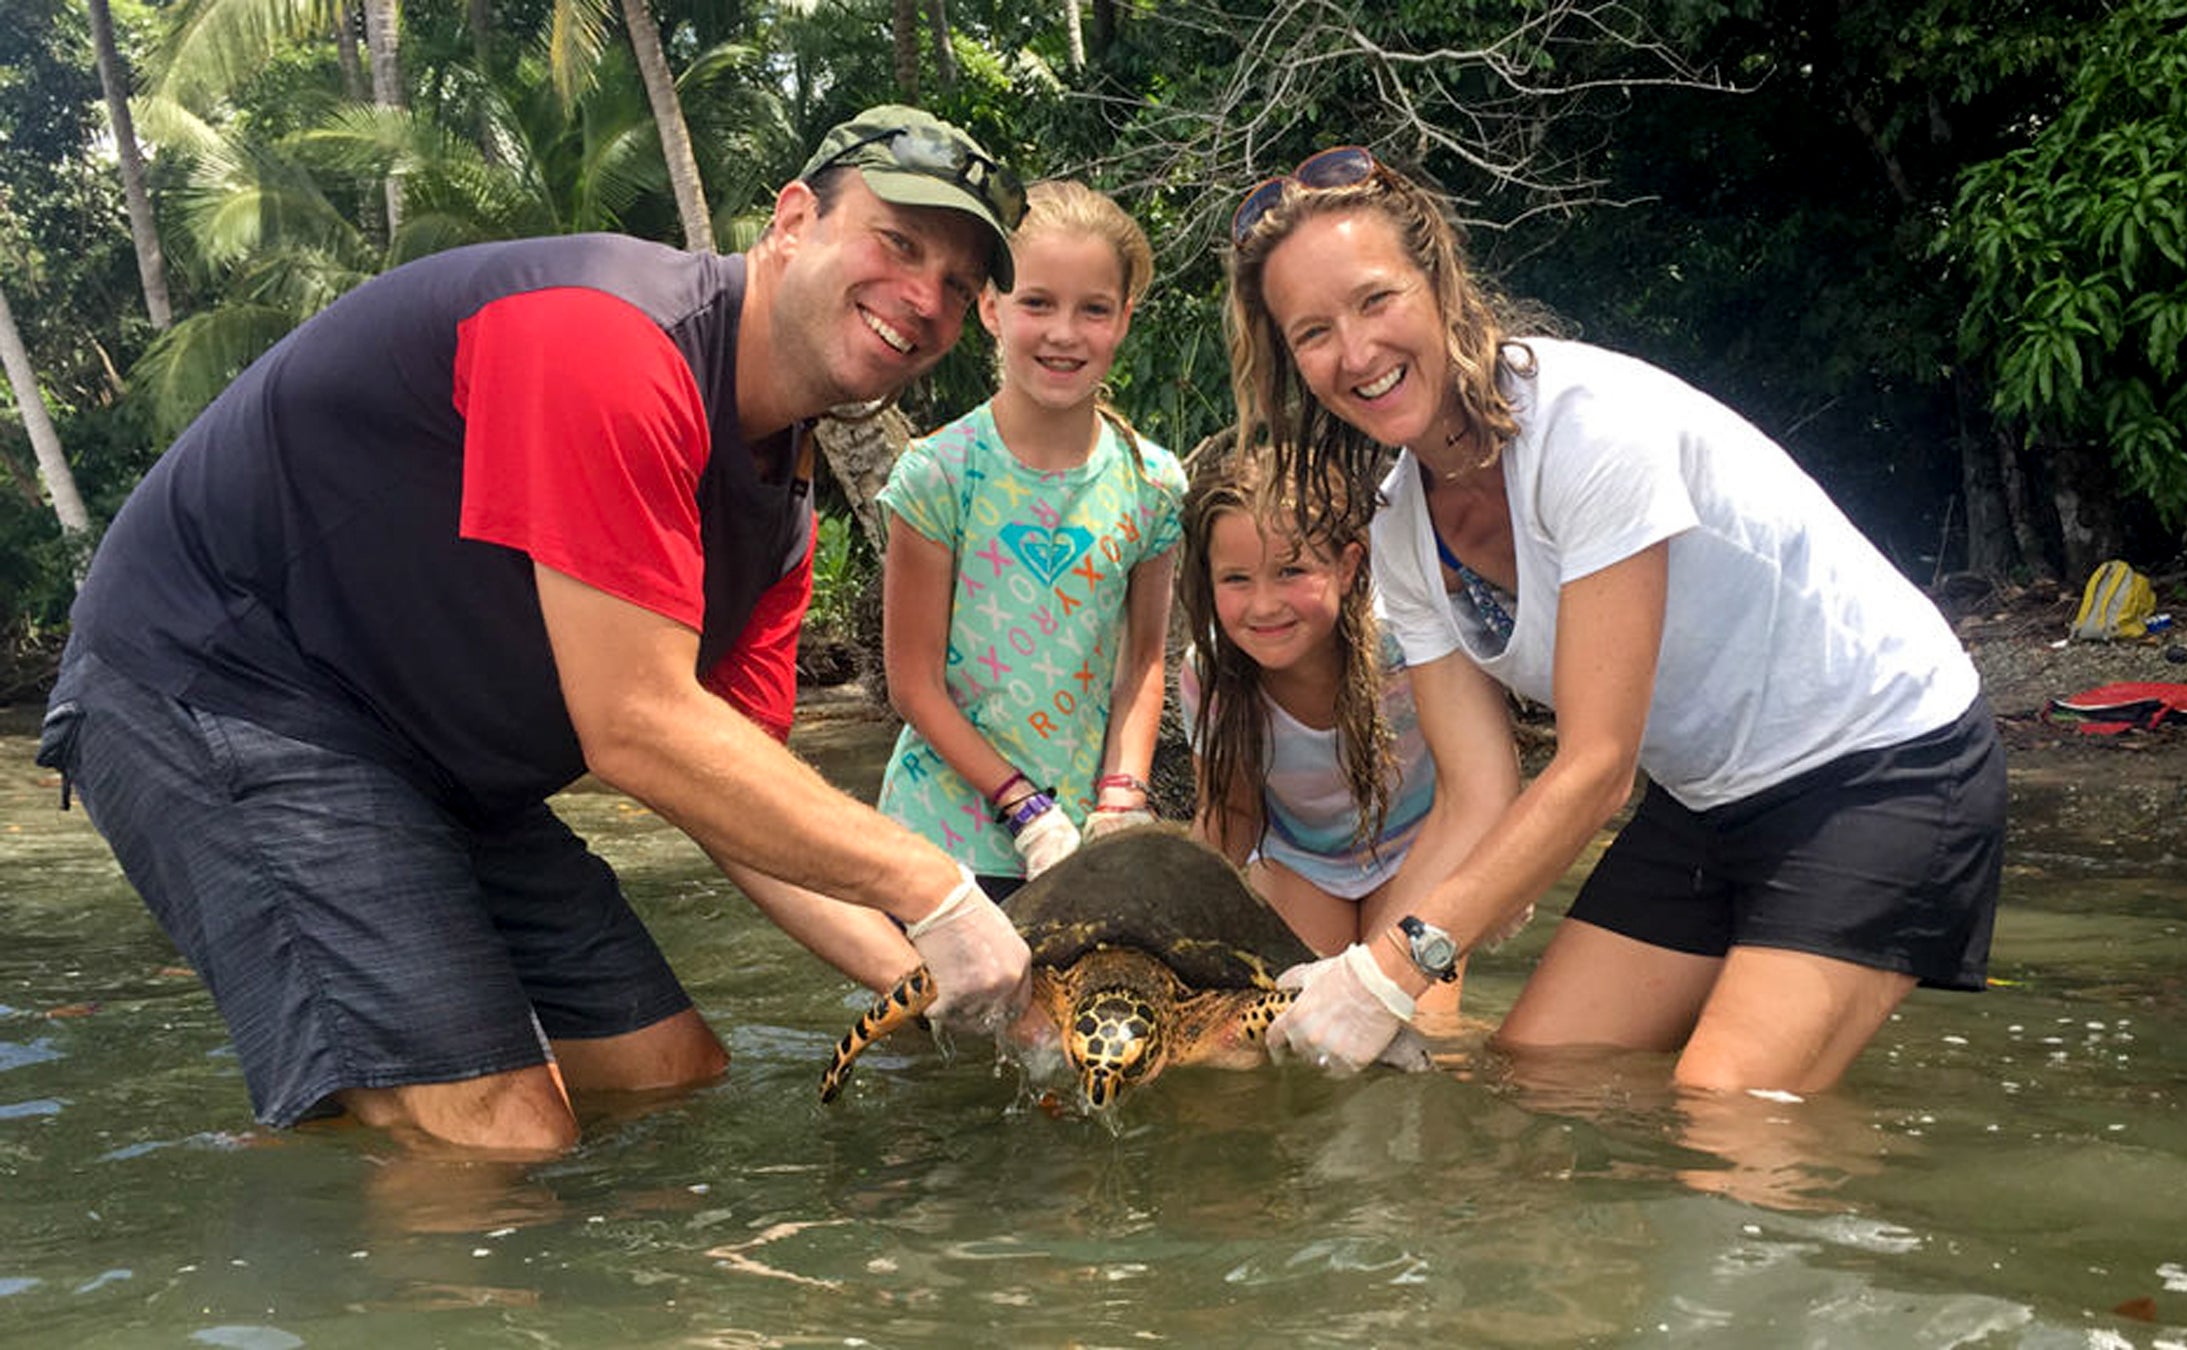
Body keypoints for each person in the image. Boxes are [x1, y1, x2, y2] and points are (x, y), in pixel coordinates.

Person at [34, 105, 1037, 1156]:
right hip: (224, 678)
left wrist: (934, 974)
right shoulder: (605, 337)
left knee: (666, 1076)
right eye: (899, 242)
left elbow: (737, 801)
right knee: (500, 1134)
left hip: (433, 757)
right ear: (792, 221)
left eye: (961, 287)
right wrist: (937, 888)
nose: (924, 299)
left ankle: (370, 1106)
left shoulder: (782, 519)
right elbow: (637, 726)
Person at [1222, 146, 2005, 1093]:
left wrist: (1394, 964)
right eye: (1313, 332)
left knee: (1723, 1108)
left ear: (1439, 281)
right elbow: (1475, 795)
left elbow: (1596, 770)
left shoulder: (1586, 425)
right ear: (1290, 360)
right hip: (1710, 798)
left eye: (1375, 300)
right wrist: (1395, 993)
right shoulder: (1399, 527)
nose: (1355, 353)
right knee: (1537, 1077)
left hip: (1884, 763)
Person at [875, 179, 1185, 903]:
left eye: (1094, 309)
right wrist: (1022, 807)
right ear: (991, 307)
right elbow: (912, 682)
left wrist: (1122, 798)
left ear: (1124, 320)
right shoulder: (939, 474)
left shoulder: (1153, 484)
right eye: (1037, 302)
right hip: (939, 839)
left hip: (1082, 844)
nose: (1064, 333)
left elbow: (1142, 663)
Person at [1175, 430, 1516, 1013]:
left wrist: (1504, 877)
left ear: (1349, 563)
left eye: (1291, 571)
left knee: (1409, 1026)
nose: (1263, 605)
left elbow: (1482, 775)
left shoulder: (1409, 643)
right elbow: (1229, 816)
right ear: (1208, 577)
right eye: (1236, 579)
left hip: (1421, 848)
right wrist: (1184, 938)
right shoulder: (1209, 677)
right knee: (1292, 1027)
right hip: (1301, 863)